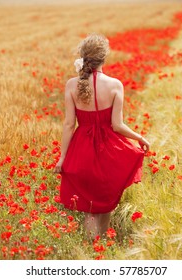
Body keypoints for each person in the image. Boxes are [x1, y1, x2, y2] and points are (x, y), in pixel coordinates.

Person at [54, 34, 150, 239]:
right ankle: (102, 249)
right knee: (106, 203)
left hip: (82, 150)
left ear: (83, 57)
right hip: (109, 150)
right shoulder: (115, 85)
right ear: (104, 58)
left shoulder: (72, 85)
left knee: (90, 208)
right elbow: (117, 126)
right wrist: (139, 138)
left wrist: (63, 157)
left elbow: (69, 124)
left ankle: (90, 251)